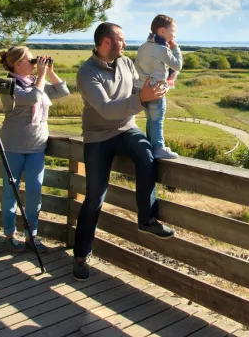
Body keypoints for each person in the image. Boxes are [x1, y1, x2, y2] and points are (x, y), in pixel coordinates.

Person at [72, 22, 176, 280]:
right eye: (121, 39)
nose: (125, 43)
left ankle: (147, 220)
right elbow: (106, 109)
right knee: (94, 197)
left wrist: (156, 89)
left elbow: (137, 91)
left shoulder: (127, 63)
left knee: (146, 154)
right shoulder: (87, 72)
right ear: (107, 42)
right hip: (98, 136)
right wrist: (141, 98)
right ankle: (81, 255)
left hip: (126, 128)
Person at [0, 46, 70, 254]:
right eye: (30, 61)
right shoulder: (8, 85)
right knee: (11, 192)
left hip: (37, 146)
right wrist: (41, 75)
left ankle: (32, 236)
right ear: (16, 64)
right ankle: (10, 235)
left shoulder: (34, 82)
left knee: (34, 193)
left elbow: (63, 91)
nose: (34, 64)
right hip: (13, 146)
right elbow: (33, 98)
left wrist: (50, 72)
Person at [133, 14, 183, 160]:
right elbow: (177, 65)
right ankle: (159, 148)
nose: (174, 35)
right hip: (156, 90)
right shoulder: (161, 49)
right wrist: (176, 48)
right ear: (162, 31)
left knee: (150, 119)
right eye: (173, 31)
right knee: (157, 119)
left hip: (142, 88)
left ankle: (150, 145)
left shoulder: (143, 47)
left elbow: (136, 67)